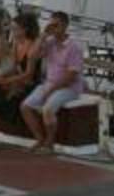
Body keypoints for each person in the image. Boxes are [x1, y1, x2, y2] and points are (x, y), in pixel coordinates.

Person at [21, 11, 85, 153]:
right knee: (25, 107)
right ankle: (40, 139)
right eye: (52, 24)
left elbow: (71, 76)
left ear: (65, 25)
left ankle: (50, 143)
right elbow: (31, 56)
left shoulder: (74, 46)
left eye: (57, 25)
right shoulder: (50, 42)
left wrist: (50, 90)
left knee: (47, 109)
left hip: (69, 87)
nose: (54, 28)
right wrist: (43, 35)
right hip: (50, 83)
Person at [0, 13, 41, 148]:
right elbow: (13, 66)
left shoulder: (32, 47)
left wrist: (8, 81)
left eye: (15, 29)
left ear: (24, 29)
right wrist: (2, 76)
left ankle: (39, 139)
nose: (12, 32)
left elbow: (29, 74)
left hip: (30, 83)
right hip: (17, 81)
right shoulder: (16, 43)